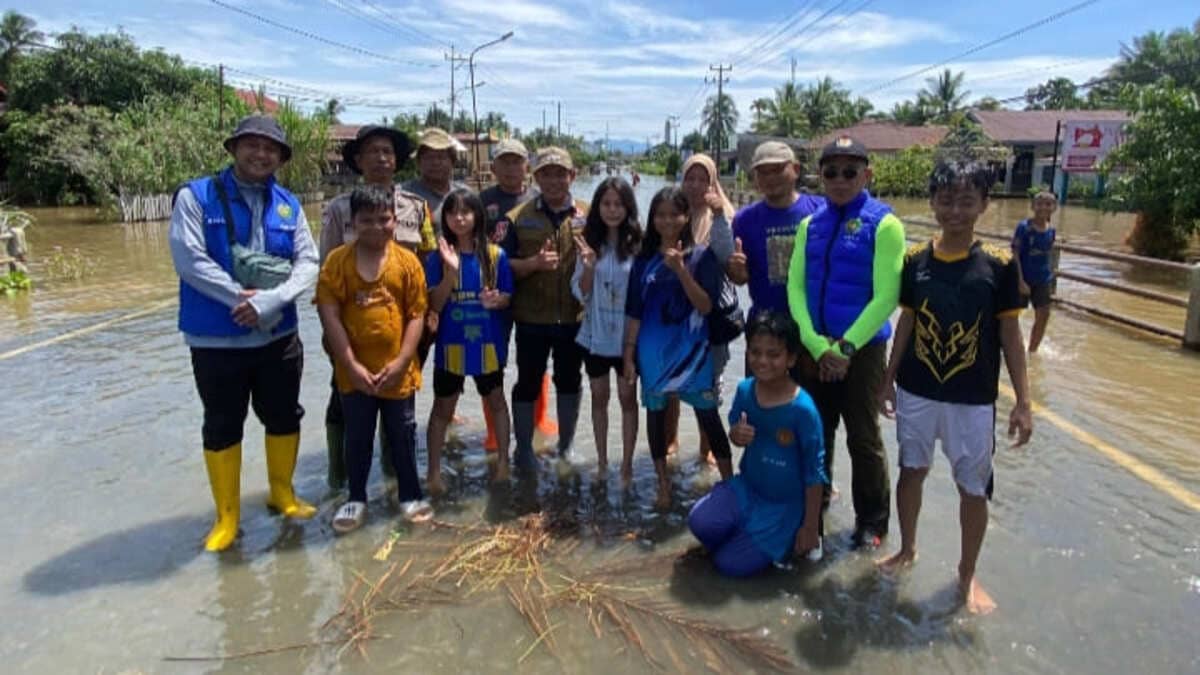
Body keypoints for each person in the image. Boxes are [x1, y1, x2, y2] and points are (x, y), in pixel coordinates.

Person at [876, 159, 1034, 615]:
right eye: (946, 200)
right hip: (917, 389)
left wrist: (1024, 402)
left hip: (973, 398)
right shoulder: (914, 261)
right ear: (932, 202)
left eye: (967, 200)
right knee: (912, 470)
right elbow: (906, 322)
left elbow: (1011, 337)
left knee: (973, 487)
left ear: (985, 204)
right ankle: (908, 548)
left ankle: (966, 574)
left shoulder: (998, 267)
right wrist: (887, 381)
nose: (955, 210)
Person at [168, 115, 318, 552]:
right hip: (216, 340)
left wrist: (270, 302)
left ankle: (283, 494)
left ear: (281, 158)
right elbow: (188, 258)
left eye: (271, 148)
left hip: (278, 337)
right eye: (252, 145)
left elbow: (308, 262)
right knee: (221, 425)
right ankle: (226, 518)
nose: (261, 154)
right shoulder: (196, 197)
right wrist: (241, 298)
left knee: (285, 415)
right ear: (233, 149)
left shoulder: (288, 204)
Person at [785, 136, 904, 548]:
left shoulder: (885, 224)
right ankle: (812, 515)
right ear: (821, 176)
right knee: (817, 433)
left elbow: (886, 296)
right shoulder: (809, 225)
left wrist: (846, 348)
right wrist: (817, 346)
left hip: (863, 351)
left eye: (850, 171)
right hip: (814, 346)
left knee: (863, 436)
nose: (839, 179)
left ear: (867, 175)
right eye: (831, 171)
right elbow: (795, 289)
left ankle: (872, 521)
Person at [319, 125, 433, 492]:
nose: (381, 159)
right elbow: (327, 271)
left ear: (397, 160)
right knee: (345, 399)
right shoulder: (339, 210)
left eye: (387, 152)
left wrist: (431, 314)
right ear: (357, 160)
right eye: (372, 152)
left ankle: (393, 473)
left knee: (400, 402)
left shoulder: (416, 207)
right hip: (351, 328)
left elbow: (427, 262)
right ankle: (341, 478)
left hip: (407, 324)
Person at [687, 311, 826, 577]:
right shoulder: (745, 391)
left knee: (729, 565)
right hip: (748, 489)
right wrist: (735, 435)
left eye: (774, 355)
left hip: (782, 505)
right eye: (755, 352)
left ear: (792, 358)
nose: (762, 361)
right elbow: (734, 432)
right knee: (699, 521)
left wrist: (809, 527)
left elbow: (815, 473)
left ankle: (775, 543)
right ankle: (744, 535)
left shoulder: (803, 411)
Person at [623, 187, 733, 509]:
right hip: (653, 354)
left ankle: (729, 486)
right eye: (661, 214)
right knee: (656, 418)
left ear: (687, 216)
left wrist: (681, 272)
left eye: (675, 213)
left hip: (694, 354)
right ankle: (662, 486)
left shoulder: (702, 257)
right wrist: (629, 356)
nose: (668, 220)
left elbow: (707, 306)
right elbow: (634, 312)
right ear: (652, 218)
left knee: (709, 416)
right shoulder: (642, 261)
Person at [500, 147, 590, 472]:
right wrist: (532, 264)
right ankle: (523, 450)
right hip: (531, 319)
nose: (553, 180)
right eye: (546, 173)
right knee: (527, 381)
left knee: (569, 381)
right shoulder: (517, 218)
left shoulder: (589, 215)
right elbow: (499, 266)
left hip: (573, 319)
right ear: (534, 177)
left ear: (572, 176)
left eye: (560, 173)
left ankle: (565, 448)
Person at [425, 189, 514, 491]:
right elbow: (434, 304)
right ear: (445, 218)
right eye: (452, 213)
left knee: (497, 402)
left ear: (478, 215)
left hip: (487, 345)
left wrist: (496, 301)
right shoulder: (437, 257)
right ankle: (434, 472)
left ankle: (503, 462)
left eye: (466, 212)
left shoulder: (494, 255)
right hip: (451, 345)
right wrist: (450, 273)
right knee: (442, 409)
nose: (459, 218)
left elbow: (506, 297)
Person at [480, 138, 557, 448]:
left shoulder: (541, 198)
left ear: (528, 166)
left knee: (534, 363)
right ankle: (494, 431)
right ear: (493, 166)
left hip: (532, 293)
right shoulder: (482, 202)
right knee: (490, 362)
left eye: (517, 161)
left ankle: (539, 421)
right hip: (493, 294)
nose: (511, 168)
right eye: (505, 162)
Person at [571, 177, 642, 483]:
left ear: (628, 207)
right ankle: (601, 462)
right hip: (596, 336)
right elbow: (580, 293)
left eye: (619, 204)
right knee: (599, 398)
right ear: (598, 206)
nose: (612, 210)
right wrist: (588, 266)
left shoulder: (639, 244)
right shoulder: (588, 242)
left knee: (628, 399)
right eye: (606, 203)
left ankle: (626, 465)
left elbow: (644, 294)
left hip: (629, 338)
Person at [670, 153, 738, 464]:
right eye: (690, 178)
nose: (695, 185)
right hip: (675, 316)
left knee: (707, 386)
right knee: (669, 382)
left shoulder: (722, 217)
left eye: (703, 179)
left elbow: (727, 259)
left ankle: (706, 447)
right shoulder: (671, 214)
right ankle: (669, 440)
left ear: (713, 183)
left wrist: (718, 213)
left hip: (710, 318)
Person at [727, 141, 824, 322]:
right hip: (767, 325)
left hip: (815, 324)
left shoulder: (822, 211)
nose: (770, 178)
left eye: (778, 170)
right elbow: (740, 279)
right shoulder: (743, 220)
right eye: (763, 172)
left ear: (795, 169)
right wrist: (736, 271)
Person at [1012, 191, 1057, 353]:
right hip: (1023, 278)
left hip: (1043, 279)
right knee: (1012, 317)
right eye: (1040, 203)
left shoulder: (1051, 230)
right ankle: (1012, 347)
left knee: (1044, 315)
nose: (1043, 207)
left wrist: (1050, 277)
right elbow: (1015, 254)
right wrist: (1020, 281)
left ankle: (1032, 351)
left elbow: (1048, 253)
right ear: (1032, 206)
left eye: (1048, 204)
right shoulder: (1024, 228)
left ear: (1054, 208)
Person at [401, 127, 468, 226]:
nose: (435, 163)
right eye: (429, 157)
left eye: (441, 157)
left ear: (452, 161)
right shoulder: (403, 195)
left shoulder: (465, 194)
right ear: (418, 162)